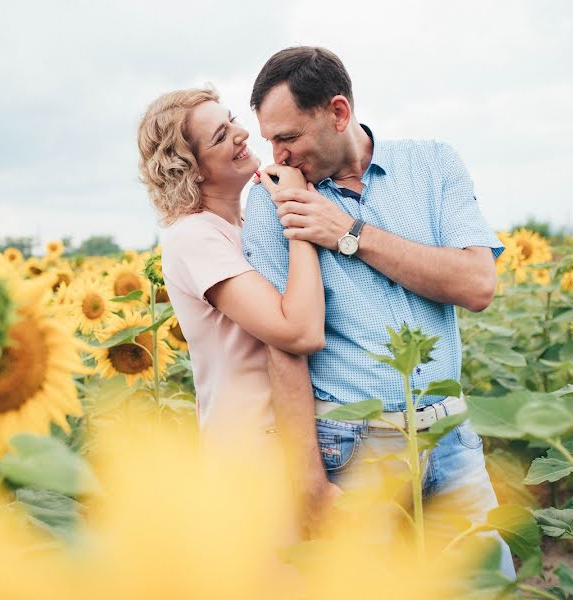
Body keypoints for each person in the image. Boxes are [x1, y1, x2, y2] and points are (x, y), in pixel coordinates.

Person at [241, 46, 516, 576]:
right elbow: (284, 345)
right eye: (269, 139)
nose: (275, 156)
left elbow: (477, 283)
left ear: (338, 113)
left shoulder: (433, 164)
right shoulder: (273, 199)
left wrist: (349, 234)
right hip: (353, 448)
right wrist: (308, 481)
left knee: (488, 585)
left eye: (287, 137)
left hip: (450, 437)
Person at [137, 87, 331, 501]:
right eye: (220, 136)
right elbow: (299, 331)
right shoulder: (194, 236)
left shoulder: (243, 223)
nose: (241, 134)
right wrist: (299, 211)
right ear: (193, 169)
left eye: (232, 121)